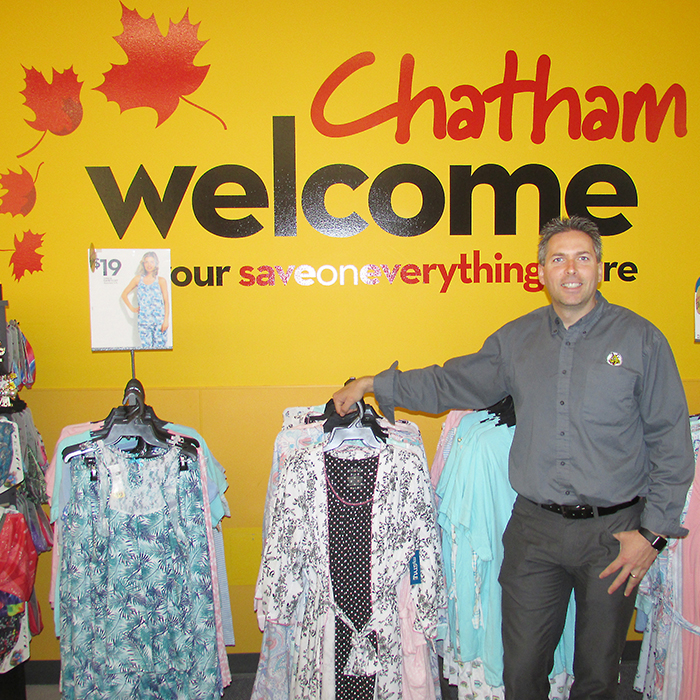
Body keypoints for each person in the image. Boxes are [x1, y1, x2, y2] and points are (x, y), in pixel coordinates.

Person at [333, 216, 694, 700]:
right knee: (521, 671)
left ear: (601, 270)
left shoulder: (641, 340)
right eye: (558, 259)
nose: (571, 270)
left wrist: (652, 535)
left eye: (583, 258)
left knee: (598, 674)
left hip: (613, 537)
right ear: (541, 271)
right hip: (534, 533)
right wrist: (375, 384)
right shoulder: (516, 340)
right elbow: (450, 382)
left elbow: (671, 441)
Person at [121, 251, 170, 349]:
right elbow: (124, 294)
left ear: (156, 263)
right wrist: (133, 308)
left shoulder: (161, 281)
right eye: (146, 262)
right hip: (144, 321)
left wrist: (166, 320)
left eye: (152, 262)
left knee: (160, 348)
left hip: (159, 321)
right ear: (143, 264)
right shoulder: (137, 279)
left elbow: (166, 301)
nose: (149, 265)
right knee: (146, 348)